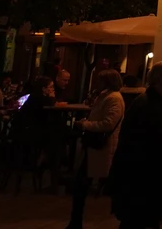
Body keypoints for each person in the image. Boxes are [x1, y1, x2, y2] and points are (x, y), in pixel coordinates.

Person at [110, 61, 162, 229]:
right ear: (159, 79)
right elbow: (153, 147)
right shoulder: (150, 107)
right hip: (142, 186)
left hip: (140, 185)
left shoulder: (150, 104)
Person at [69, 69, 125, 229]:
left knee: (83, 183)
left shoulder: (113, 98)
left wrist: (86, 124)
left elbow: (108, 123)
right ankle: (76, 220)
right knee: (82, 183)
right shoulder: (107, 97)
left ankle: (76, 221)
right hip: (96, 146)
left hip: (101, 146)